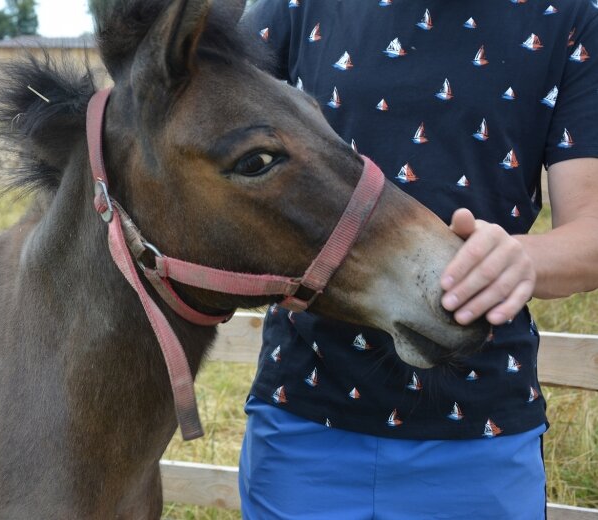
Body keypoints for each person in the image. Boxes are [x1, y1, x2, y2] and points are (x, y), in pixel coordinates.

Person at [239, 1, 598, 518]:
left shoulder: (568, 17)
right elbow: (192, 114)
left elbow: (590, 234)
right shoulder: (298, 5)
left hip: (480, 439)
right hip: (303, 426)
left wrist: (520, 258)